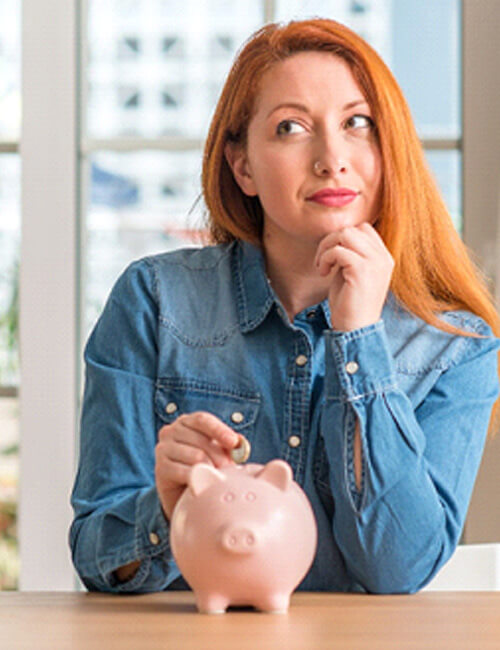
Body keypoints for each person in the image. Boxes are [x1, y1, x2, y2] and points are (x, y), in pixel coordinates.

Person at [70, 18, 500, 594]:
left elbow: (398, 571)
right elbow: (97, 556)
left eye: (358, 124)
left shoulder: (455, 346)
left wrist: (358, 340)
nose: (332, 159)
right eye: (291, 127)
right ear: (242, 165)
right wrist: (165, 510)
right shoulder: (154, 300)